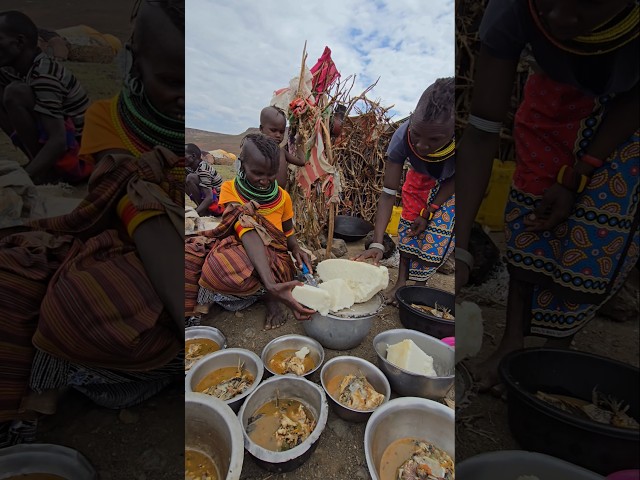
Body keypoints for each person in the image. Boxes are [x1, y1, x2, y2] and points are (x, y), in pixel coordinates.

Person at [0, 0, 185, 446]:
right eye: (171, 83)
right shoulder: (108, 118)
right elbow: (140, 213)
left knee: (80, 304)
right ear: (134, 59)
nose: (187, 98)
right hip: (141, 249)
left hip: (178, 257)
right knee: (25, 280)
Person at [456, 0, 639, 391]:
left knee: (596, 230)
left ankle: (556, 355)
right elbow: (482, 128)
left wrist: (582, 171)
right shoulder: (510, 10)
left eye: (582, 8)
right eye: (548, 1)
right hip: (553, 104)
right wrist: (460, 248)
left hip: (628, 118)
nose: (558, 17)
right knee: (530, 214)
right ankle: (512, 343)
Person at [185, 133, 315, 330]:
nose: (265, 180)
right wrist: (271, 284)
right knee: (193, 256)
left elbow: (287, 233)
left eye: (270, 174)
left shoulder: (283, 198)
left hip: (273, 259)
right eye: (258, 173)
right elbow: (244, 227)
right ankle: (268, 291)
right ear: (242, 163)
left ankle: (269, 296)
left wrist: (296, 248)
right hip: (239, 249)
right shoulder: (230, 189)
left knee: (225, 266)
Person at [354, 78, 456, 304]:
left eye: (434, 140)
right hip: (419, 180)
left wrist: (431, 210)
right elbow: (388, 193)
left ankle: (419, 289)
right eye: (417, 134)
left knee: (435, 236)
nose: (421, 145)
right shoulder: (401, 138)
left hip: (451, 187)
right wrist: (378, 244)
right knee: (409, 228)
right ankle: (401, 282)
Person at [0, 10, 91, 184]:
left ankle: (43, 172)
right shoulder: (15, 69)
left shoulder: (44, 75)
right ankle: (40, 166)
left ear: (19, 42)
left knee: (15, 93)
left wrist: (22, 178)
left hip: (78, 157)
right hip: (58, 144)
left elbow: (59, 141)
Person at [259, 105, 305, 189]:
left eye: (281, 132)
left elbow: (301, 162)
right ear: (261, 129)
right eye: (273, 130)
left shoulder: (282, 152)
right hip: (263, 196)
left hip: (280, 197)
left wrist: (298, 143)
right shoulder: (257, 151)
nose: (278, 135)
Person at [185, 142, 224, 216]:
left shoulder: (203, 170)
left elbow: (210, 198)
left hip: (217, 203)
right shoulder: (190, 168)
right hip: (208, 196)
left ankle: (203, 211)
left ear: (193, 156)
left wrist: (194, 213)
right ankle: (201, 208)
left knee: (190, 178)